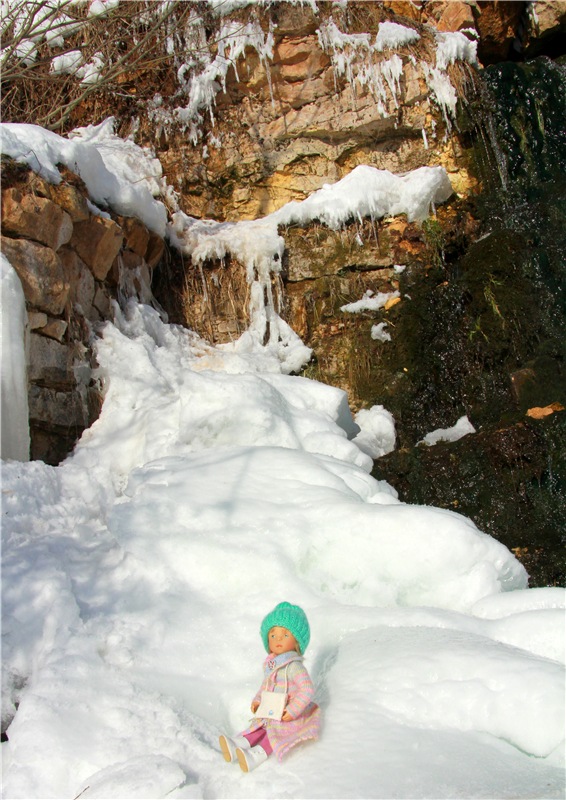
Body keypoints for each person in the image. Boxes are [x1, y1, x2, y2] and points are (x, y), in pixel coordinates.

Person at [219, 601, 321, 772]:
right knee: (260, 726)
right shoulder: (271, 665)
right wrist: (258, 700)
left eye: (285, 635)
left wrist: (293, 709)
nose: (278, 639)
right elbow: (265, 686)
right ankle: (239, 743)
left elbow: (307, 689)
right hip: (270, 709)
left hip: (285, 712)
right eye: (273, 635)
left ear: (297, 642)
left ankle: (256, 755)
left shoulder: (294, 667)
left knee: (274, 733)